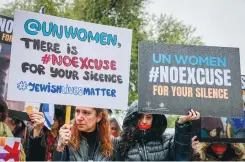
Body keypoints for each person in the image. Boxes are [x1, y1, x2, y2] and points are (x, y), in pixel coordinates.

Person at [118, 100, 200, 161]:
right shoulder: (122, 143)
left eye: (148, 117)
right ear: (133, 118)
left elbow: (182, 158)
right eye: (140, 117)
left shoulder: (167, 140)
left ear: (154, 119)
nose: (144, 121)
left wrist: (182, 123)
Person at [51, 106, 119, 161]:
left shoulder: (112, 142)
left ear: (99, 117)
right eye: (77, 111)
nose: (79, 118)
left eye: (86, 113)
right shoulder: (66, 137)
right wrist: (60, 146)